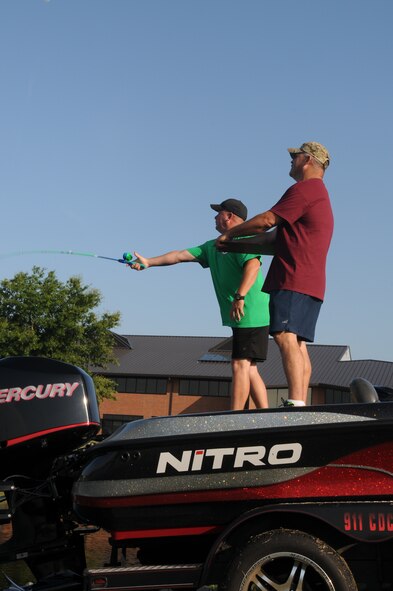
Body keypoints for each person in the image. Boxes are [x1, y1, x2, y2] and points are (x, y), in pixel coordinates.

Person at [216, 142, 334, 407]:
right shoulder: (320, 195)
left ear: (307, 160)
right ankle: (300, 403)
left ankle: (296, 402)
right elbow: (272, 240)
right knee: (298, 342)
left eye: (295, 157)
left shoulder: (304, 190)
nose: (291, 161)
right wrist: (233, 244)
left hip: (292, 276)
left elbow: (267, 220)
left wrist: (230, 233)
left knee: (284, 335)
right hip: (312, 281)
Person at [129, 198, 270, 410]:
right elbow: (178, 256)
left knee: (239, 364)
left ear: (229, 216)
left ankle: (235, 416)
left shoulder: (245, 238)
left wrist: (239, 297)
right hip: (242, 312)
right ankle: (266, 415)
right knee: (249, 367)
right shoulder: (213, 246)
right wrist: (149, 262)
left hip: (250, 310)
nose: (214, 216)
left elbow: (253, 267)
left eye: (218, 213)